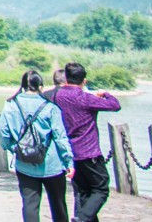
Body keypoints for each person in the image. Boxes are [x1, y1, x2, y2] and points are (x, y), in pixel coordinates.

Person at [0, 70, 73, 222]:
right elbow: (60, 138)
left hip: (24, 163)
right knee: (58, 204)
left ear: (23, 84)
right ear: (40, 85)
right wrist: (69, 162)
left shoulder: (11, 105)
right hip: (51, 164)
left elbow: (2, 133)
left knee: (29, 204)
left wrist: (14, 148)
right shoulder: (50, 107)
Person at [53, 62, 121, 221]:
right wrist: (105, 94)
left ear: (67, 78)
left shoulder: (57, 96)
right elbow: (115, 105)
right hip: (89, 153)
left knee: (84, 193)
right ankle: (82, 218)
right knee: (101, 189)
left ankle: (83, 217)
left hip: (70, 154)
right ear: (84, 81)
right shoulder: (85, 98)